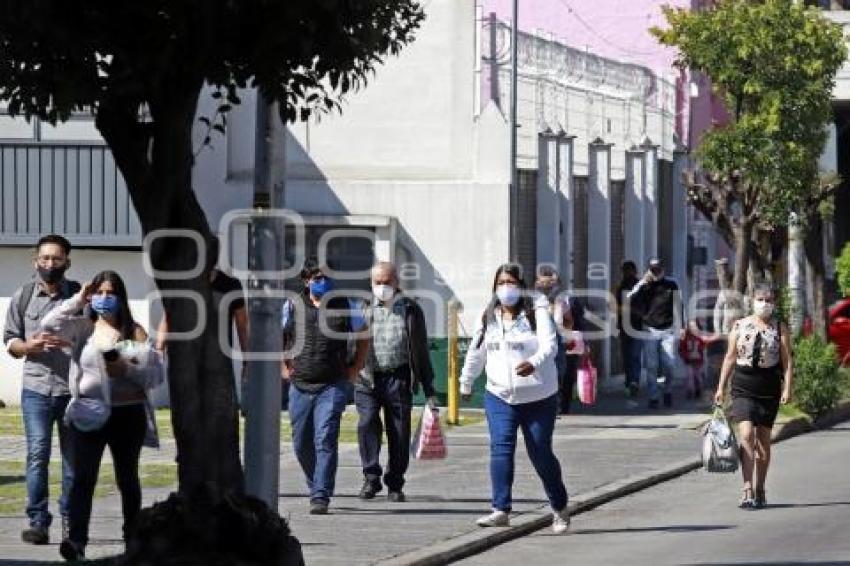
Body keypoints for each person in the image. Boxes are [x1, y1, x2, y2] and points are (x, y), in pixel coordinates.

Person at [38, 271, 164, 561]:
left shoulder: (134, 332)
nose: (104, 299)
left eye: (111, 293)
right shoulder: (83, 328)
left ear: (121, 298)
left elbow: (154, 374)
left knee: (127, 478)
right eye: (99, 292)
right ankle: (76, 541)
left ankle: (133, 537)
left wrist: (127, 369)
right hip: (88, 414)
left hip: (127, 415)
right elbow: (48, 323)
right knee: (83, 478)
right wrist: (77, 299)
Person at [460, 263, 570, 534]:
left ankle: (560, 506)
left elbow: (550, 344)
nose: (505, 288)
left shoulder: (537, 309)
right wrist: (466, 382)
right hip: (499, 395)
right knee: (501, 447)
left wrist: (533, 362)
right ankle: (501, 509)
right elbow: (477, 351)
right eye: (500, 283)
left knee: (540, 452)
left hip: (538, 395)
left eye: (510, 282)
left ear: (521, 286)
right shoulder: (488, 315)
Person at [3, 234, 80, 545]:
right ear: (35, 261)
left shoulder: (79, 296)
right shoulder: (23, 296)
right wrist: (27, 346)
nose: (50, 264)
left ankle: (72, 520)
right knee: (37, 456)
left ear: (67, 262)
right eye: (45, 259)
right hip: (36, 389)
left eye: (57, 259)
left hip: (72, 389)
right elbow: (10, 341)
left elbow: (98, 334)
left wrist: (74, 342)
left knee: (73, 459)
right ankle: (38, 522)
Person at [282, 260, 368, 515]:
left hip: (332, 384)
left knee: (325, 438)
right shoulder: (292, 305)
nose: (323, 282)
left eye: (327, 277)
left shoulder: (345, 305)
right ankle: (316, 482)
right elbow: (277, 335)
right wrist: (282, 367)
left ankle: (320, 494)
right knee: (301, 444)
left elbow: (364, 335)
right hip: (300, 384)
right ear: (306, 280)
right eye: (317, 277)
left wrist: (354, 370)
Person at [355, 262, 436, 502]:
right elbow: (350, 342)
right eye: (377, 283)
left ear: (396, 282)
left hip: (398, 377)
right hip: (367, 377)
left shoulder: (411, 310)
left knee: (399, 431)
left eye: (386, 282)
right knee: (367, 423)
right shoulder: (362, 307)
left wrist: (429, 385)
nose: (382, 287)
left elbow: (420, 349)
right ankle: (371, 478)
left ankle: (395, 483)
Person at [714, 284, 792, 509]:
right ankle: (747, 487)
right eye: (760, 299)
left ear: (774, 303)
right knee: (746, 434)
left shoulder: (780, 328)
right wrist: (721, 387)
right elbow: (729, 358)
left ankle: (760, 487)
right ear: (752, 301)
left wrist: (788, 388)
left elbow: (787, 362)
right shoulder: (740, 325)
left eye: (769, 300)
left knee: (764, 441)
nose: (765, 304)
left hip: (768, 388)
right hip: (743, 385)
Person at [155, 236, 248, 406]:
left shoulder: (231, 285)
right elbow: (168, 317)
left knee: (222, 419)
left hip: (221, 368)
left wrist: (247, 362)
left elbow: (242, 325)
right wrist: (159, 353)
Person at [627, 258, 684, 409]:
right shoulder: (645, 285)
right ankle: (653, 396)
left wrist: (682, 326)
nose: (656, 272)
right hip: (649, 330)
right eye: (653, 270)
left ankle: (668, 390)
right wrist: (641, 284)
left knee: (670, 363)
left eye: (658, 269)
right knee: (652, 365)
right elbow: (629, 299)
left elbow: (679, 305)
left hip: (669, 329)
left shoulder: (672, 284)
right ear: (649, 270)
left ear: (663, 269)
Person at [534, 266, 585, 415]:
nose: (546, 287)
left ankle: (554, 404)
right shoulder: (533, 301)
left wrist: (566, 333)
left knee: (559, 373)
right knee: (541, 372)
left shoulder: (561, 300)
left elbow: (570, 319)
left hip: (558, 342)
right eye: (543, 284)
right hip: (538, 342)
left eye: (549, 284)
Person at [616, 260, 643, 398]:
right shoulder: (620, 287)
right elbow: (616, 307)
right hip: (624, 327)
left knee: (634, 355)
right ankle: (629, 381)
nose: (627, 273)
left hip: (637, 326)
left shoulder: (640, 286)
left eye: (629, 270)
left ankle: (634, 381)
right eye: (625, 271)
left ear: (634, 271)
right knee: (627, 356)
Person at [680, 320, 706, 399]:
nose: (693, 328)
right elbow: (682, 348)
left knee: (697, 376)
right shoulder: (685, 338)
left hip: (698, 361)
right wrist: (684, 356)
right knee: (690, 376)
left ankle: (698, 390)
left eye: (694, 326)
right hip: (689, 360)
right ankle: (690, 391)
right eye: (691, 327)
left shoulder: (700, 337)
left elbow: (704, 346)